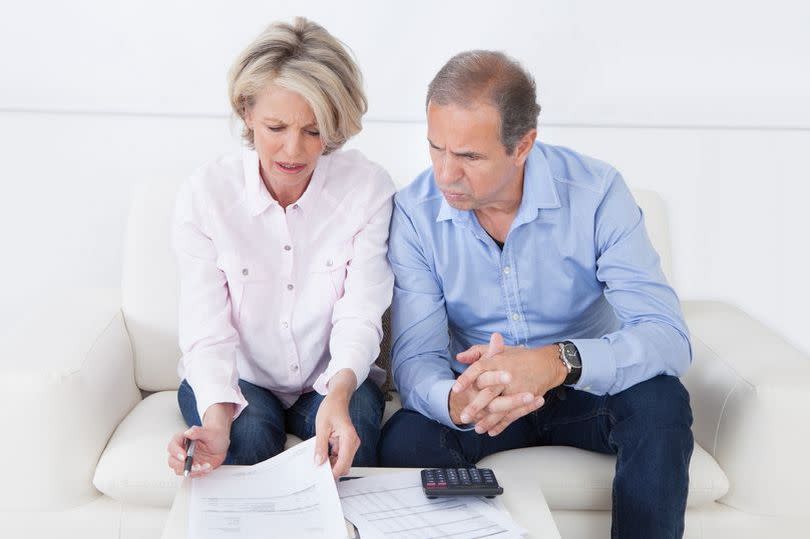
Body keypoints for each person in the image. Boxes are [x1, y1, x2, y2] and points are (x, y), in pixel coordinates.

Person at [378, 50, 694, 538]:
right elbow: (415, 357)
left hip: (584, 389)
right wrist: (456, 402)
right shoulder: (415, 213)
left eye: (468, 156)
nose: (445, 174)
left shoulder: (597, 193)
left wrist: (555, 362)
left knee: (661, 405)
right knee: (405, 437)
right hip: (483, 399)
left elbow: (668, 337)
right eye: (436, 148)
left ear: (522, 145)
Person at [165, 18, 395, 480]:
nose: (294, 150)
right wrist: (214, 421)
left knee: (348, 449)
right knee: (246, 439)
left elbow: (362, 311)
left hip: (332, 377)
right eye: (275, 127)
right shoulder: (206, 195)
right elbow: (205, 328)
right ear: (247, 112)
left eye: (314, 131)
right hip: (241, 377)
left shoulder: (367, 189)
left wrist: (339, 393)